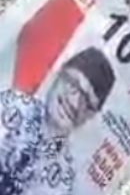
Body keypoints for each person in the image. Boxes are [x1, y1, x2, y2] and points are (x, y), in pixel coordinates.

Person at [0, 47, 116, 195]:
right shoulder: (10, 106)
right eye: (73, 84)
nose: (75, 103)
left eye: (87, 102)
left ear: (92, 115)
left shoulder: (61, 184)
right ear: (59, 72)